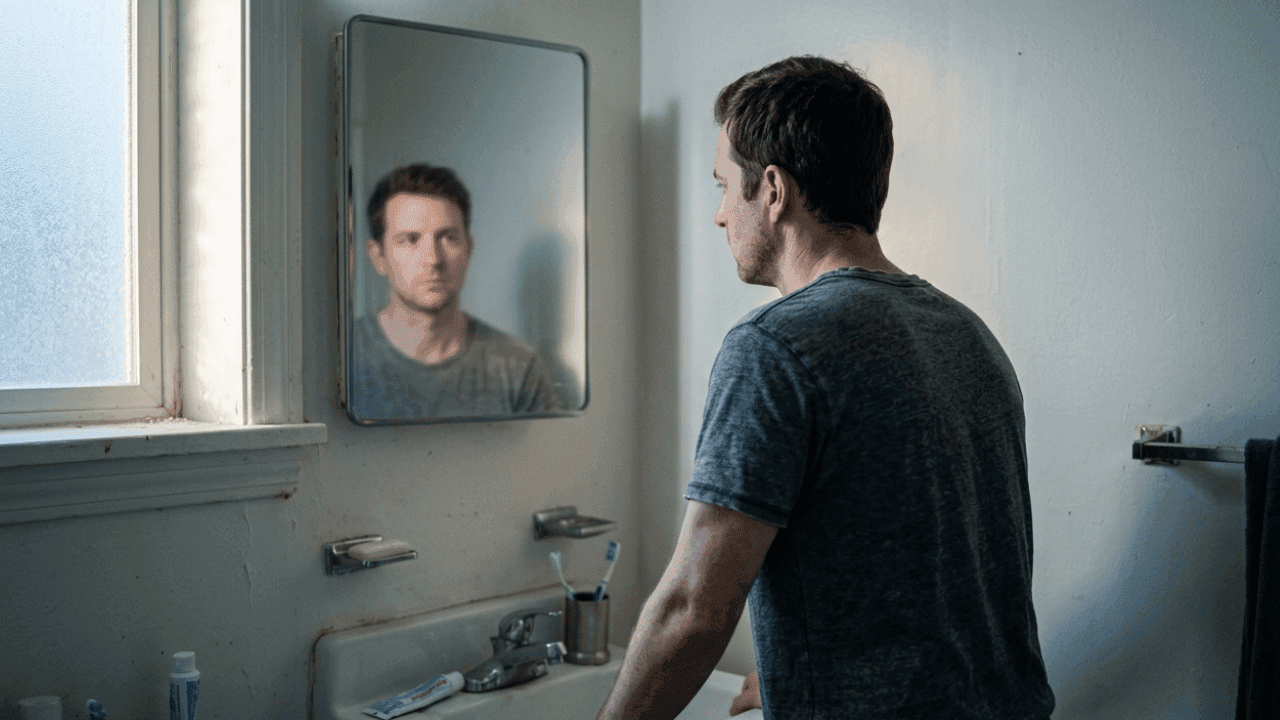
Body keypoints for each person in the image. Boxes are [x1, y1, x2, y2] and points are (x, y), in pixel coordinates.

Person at [596, 56, 1055, 719]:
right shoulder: (967, 335)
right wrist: (794, 671)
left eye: (725, 185)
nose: (722, 214)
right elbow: (930, 567)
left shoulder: (775, 348)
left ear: (774, 190)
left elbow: (694, 610)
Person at [349, 163, 559, 420]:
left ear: (468, 249)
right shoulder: (346, 358)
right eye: (410, 240)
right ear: (378, 256)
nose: (433, 259)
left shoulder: (519, 368)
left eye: (448, 238)